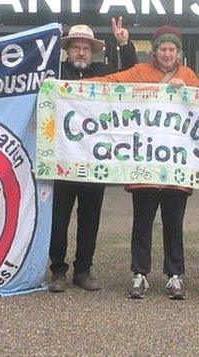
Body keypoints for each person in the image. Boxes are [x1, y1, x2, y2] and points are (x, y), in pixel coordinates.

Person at [89, 26, 199, 300]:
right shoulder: (139, 72)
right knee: (142, 222)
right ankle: (139, 274)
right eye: (162, 49)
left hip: (176, 168)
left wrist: (186, 92)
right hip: (144, 168)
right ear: (154, 51)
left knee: (174, 224)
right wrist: (66, 88)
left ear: (178, 53)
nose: (166, 53)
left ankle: (175, 275)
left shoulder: (188, 75)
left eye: (171, 49)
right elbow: (111, 82)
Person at [48, 17, 138, 293]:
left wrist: (124, 45)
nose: (82, 53)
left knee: (90, 218)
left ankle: (83, 269)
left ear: (93, 51)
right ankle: (58, 270)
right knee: (59, 219)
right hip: (61, 160)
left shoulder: (102, 72)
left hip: (93, 161)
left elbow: (130, 76)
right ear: (67, 50)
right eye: (76, 47)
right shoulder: (55, 74)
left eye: (86, 48)